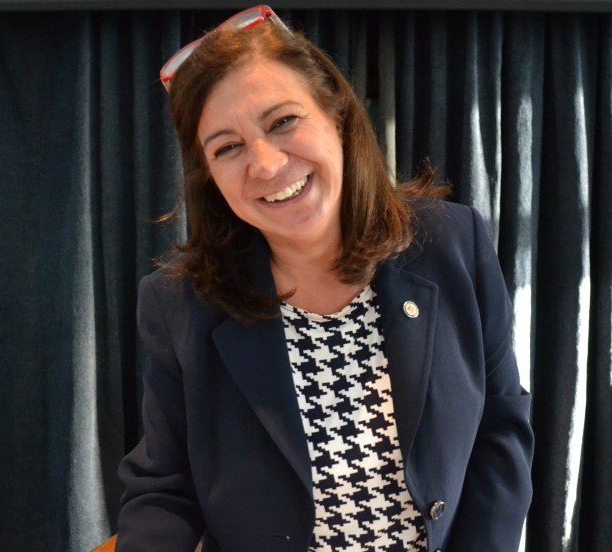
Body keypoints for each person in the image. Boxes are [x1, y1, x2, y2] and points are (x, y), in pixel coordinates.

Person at [116, 6, 533, 551]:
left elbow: (500, 428)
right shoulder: (177, 302)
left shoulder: (452, 244)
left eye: (283, 121)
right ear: (210, 176)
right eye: (227, 147)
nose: (266, 165)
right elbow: (165, 487)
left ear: (337, 115)